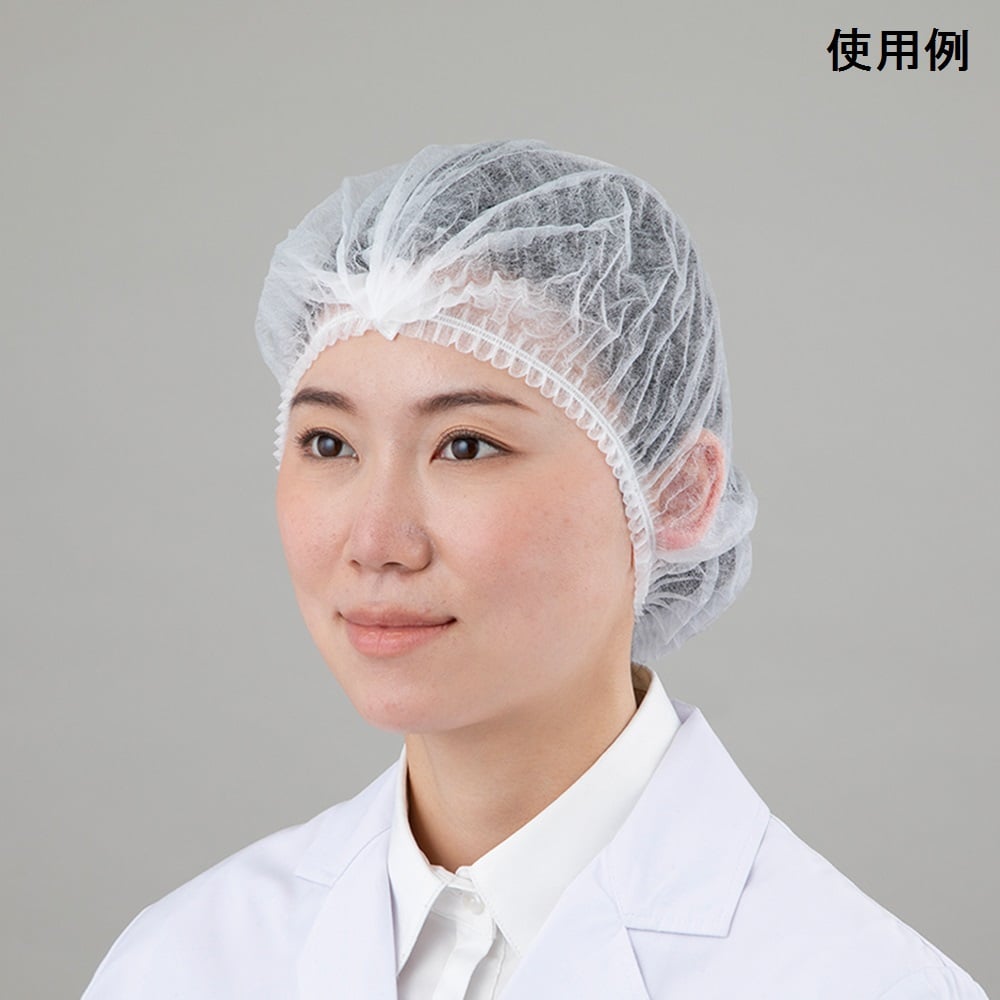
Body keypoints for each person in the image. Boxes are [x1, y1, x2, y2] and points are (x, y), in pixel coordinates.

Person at [81, 139, 989, 999]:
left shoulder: (856, 979)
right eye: (328, 442)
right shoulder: (186, 960)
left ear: (677, 492)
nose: (376, 539)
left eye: (467, 445)